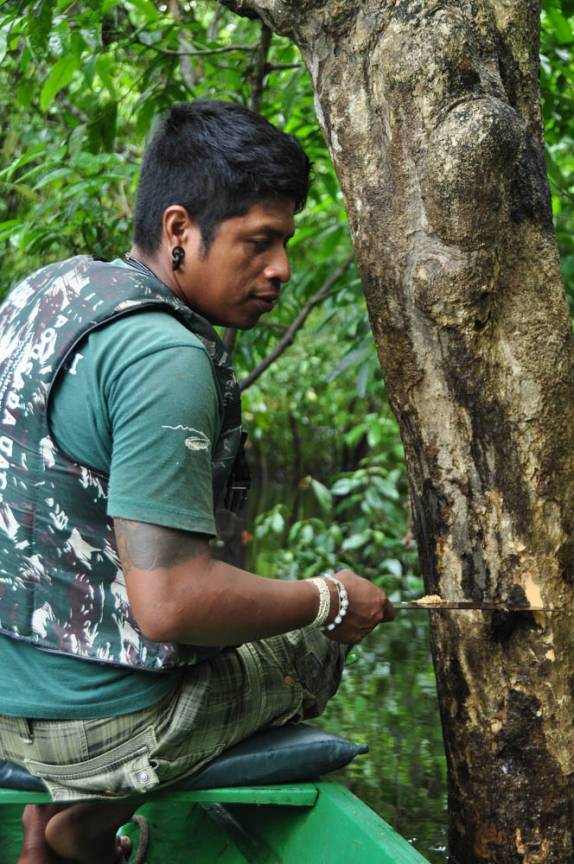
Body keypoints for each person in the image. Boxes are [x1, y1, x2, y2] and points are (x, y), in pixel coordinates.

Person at [0, 100, 395, 863]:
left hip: (4, 700)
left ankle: (37, 835)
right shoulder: (165, 358)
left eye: (284, 241)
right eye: (259, 241)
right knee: (310, 647)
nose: (280, 267)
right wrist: (332, 597)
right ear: (180, 230)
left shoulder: (44, 293)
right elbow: (171, 604)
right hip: (94, 727)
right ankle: (84, 822)